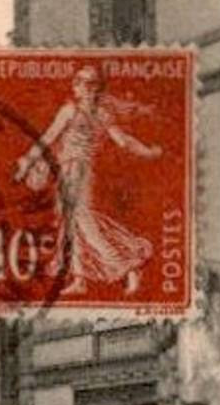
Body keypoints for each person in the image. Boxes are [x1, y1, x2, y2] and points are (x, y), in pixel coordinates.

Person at [12, 64, 163, 297]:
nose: (85, 88)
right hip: (74, 170)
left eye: (90, 84)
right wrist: (149, 152)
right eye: (82, 82)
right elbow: (124, 142)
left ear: (94, 89)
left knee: (83, 220)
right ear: (76, 87)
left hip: (75, 170)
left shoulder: (72, 111)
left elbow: (49, 138)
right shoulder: (101, 114)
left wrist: (26, 162)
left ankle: (127, 267)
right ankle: (80, 278)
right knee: (70, 223)